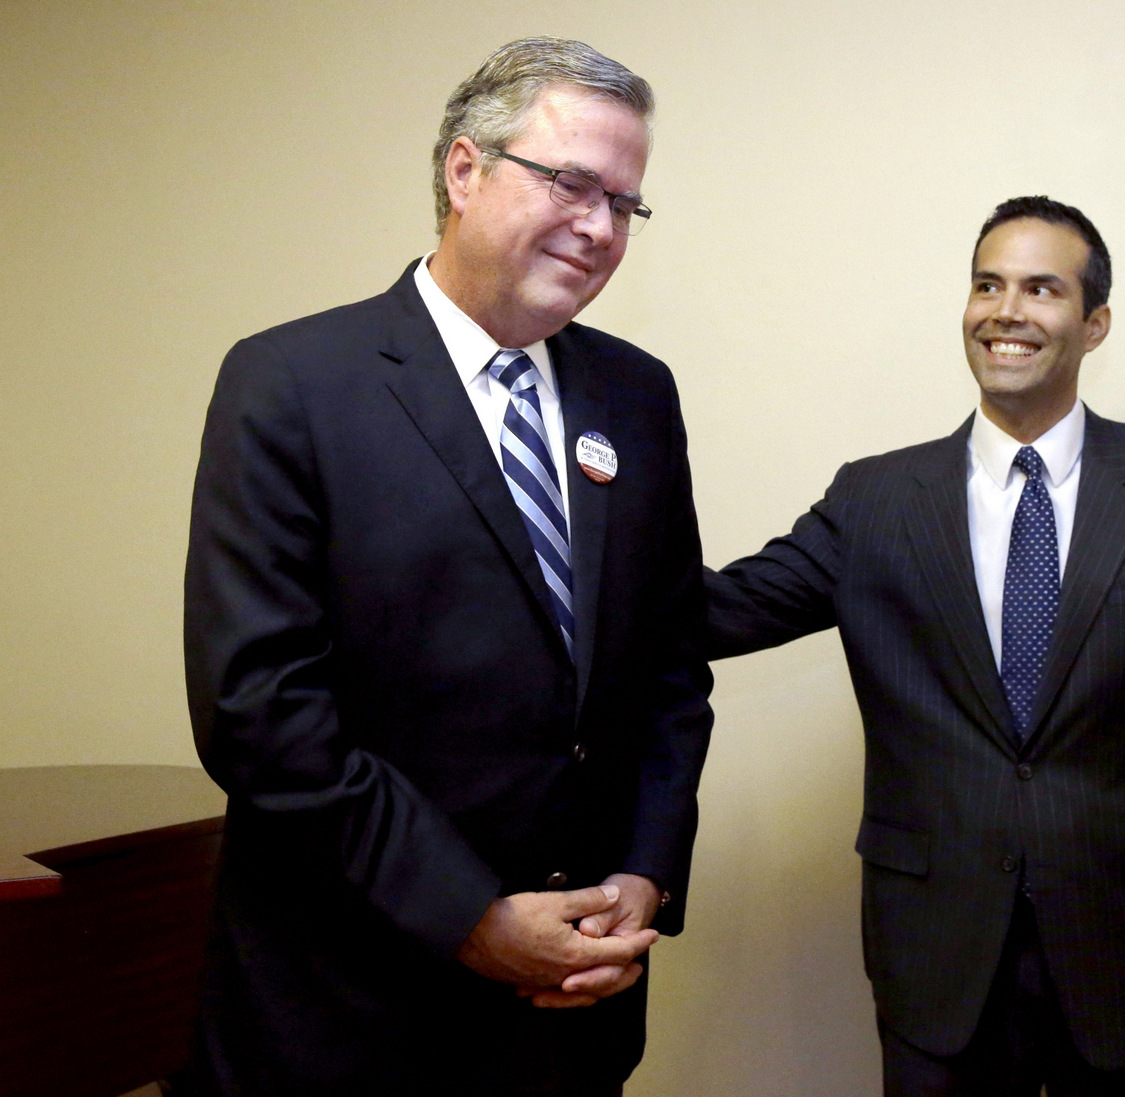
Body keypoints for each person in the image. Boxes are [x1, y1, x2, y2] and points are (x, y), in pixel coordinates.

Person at [703, 197, 1125, 1096]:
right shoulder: (874, 500)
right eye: (987, 284)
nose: (1005, 311)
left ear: (1093, 325)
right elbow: (718, 613)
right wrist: (565, 527)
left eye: (1041, 288)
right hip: (940, 963)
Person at [180, 37, 712, 1097]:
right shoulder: (292, 382)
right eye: (572, 182)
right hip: (350, 1011)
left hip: (568, 1020)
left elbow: (667, 668)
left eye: (624, 202)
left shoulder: (636, 394)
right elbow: (261, 710)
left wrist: (642, 877)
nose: (600, 226)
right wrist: (469, 915)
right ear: (464, 171)